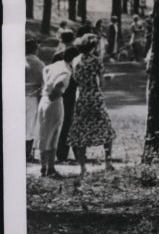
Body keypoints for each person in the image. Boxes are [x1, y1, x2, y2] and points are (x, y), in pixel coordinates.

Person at [68, 34, 116, 176]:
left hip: (81, 97)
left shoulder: (75, 60)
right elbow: (101, 83)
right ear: (93, 46)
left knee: (81, 131)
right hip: (94, 97)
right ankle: (108, 162)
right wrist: (107, 79)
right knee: (106, 129)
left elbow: (76, 79)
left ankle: (82, 167)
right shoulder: (96, 61)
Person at [37, 46, 79, 178]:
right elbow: (59, 87)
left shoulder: (55, 65)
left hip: (43, 100)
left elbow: (45, 70)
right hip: (53, 102)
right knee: (53, 134)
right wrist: (55, 92)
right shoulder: (66, 72)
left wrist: (46, 87)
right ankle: (50, 168)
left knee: (43, 133)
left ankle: (43, 166)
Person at [25, 37, 45, 163]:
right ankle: (27, 153)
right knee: (30, 126)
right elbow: (44, 84)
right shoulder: (40, 64)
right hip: (32, 97)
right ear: (36, 49)